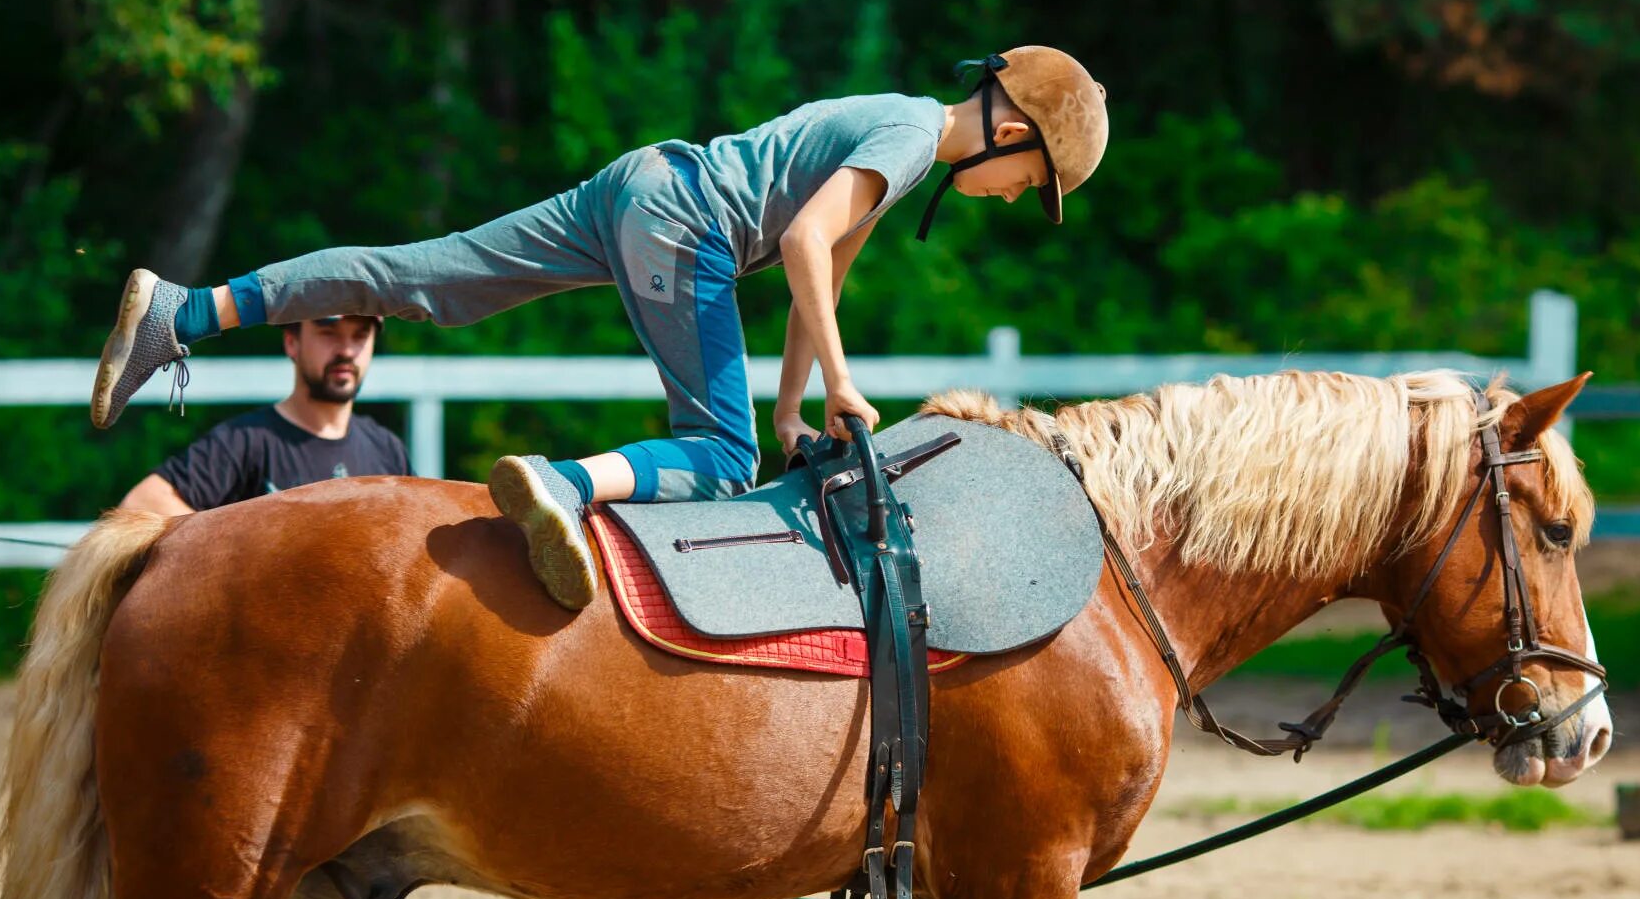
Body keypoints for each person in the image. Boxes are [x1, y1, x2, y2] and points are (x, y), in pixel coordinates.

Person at [94, 46, 1109, 610]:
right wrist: (842, 393)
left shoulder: (895, 134)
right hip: (683, 221)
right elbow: (801, 242)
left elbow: (823, 279)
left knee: (422, 280)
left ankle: (185, 311)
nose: (1018, 198)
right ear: (1014, 133)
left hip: (640, 186)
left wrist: (797, 408)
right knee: (717, 456)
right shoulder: (908, 135)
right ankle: (561, 485)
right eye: (1033, 184)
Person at [116, 313, 409, 899]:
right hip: (269, 753)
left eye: (360, 334)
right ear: (292, 341)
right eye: (328, 331)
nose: (345, 348)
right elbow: (142, 512)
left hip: (360, 760)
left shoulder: (385, 450)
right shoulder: (248, 443)